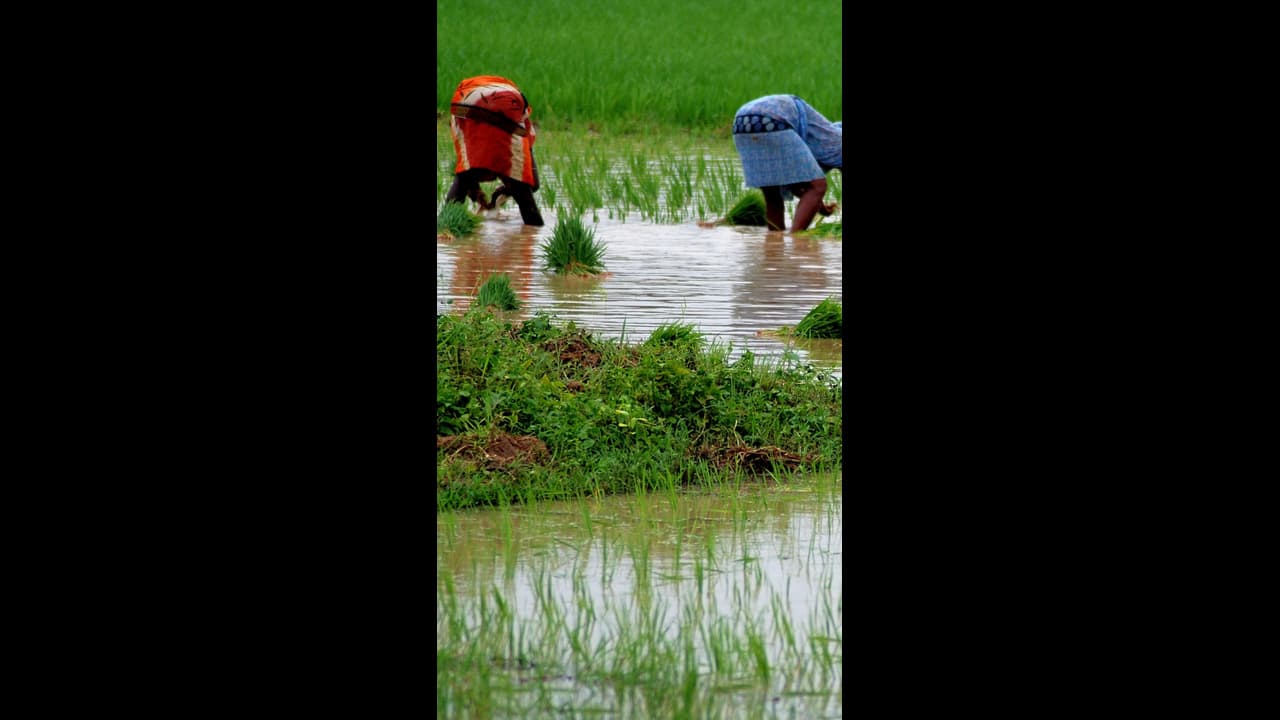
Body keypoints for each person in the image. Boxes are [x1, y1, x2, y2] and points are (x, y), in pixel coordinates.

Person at [444, 75, 544, 226]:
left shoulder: (521, 126)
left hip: (465, 101)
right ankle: (532, 233)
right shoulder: (525, 132)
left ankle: (444, 229)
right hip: (506, 104)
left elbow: (471, 161)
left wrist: (476, 187)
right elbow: (533, 184)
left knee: (465, 174)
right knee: (521, 187)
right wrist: (512, 187)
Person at [731, 95, 841, 231]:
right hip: (772, 120)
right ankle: (797, 240)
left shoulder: (822, 135)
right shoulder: (837, 140)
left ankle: (775, 242)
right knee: (819, 186)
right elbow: (811, 187)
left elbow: (799, 185)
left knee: (772, 192)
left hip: (741, 123)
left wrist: (822, 208)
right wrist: (820, 204)